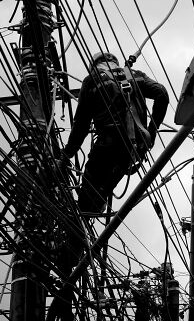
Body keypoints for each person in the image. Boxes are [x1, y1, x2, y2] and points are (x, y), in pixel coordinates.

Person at [61, 52, 168, 214]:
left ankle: (83, 217)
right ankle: (96, 204)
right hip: (135, 147)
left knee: (89, 191)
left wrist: (66, 154)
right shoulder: (133, 74)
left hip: (109, 144)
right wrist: (151, 133)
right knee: (105, 187)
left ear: (94, 66)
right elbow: (162, 93)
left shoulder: (92, 80)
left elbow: (81, 124)